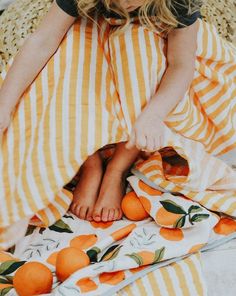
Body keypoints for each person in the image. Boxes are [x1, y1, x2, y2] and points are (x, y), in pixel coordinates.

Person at [0, 0, 235, 223]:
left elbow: (181, 64)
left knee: (139, 52)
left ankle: (118, 165)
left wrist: (153, 116)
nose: (124, 4)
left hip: (153, 41)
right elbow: (43, 40)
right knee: (64, 58)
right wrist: (4, 105)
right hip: (92, 31)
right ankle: (89, 161)